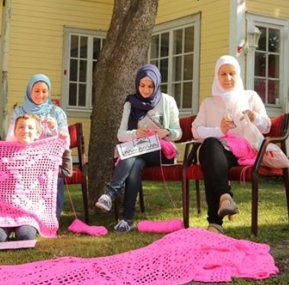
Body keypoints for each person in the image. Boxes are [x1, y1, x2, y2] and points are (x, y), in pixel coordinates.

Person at [94, 64, 182, 232]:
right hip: (138, 150)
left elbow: (178, 132)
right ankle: (127, 219)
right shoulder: (130, 104)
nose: (146, 90)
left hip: (162, 152)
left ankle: (110, 194)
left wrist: (166, 131)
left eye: (150, 86)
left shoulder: (168, 101)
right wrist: (136, 134)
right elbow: (121, 135)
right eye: (142, 85)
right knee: (135, 164)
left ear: (156, 85)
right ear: (137, 84)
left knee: (132, 152)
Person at [191, 55, 271, 233]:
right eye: (223, 74)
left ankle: (215, 223)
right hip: (216, 153)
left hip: (242, 153)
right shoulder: (208, 103)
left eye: (232, 73)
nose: (228, 78)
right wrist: (220, 130)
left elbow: (267, 126)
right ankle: (225, 197)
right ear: (216, 76)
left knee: (209, 154)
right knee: (211, 145)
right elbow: (195, 130)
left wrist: (255, 117)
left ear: (238, 75)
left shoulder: (249, 96)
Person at [7, 74, 69, 220]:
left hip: (49, 160)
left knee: (55, 175)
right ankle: (24, 216)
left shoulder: (57, 112)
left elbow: (65, 141)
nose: (40, 95)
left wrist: (55, 130)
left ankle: (52, 218)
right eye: (36, 91)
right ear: (29, 91)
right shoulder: (19, 112)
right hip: (24, 159)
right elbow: (10, 139)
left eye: (44, 91)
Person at [0, 114, 44, 243]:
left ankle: (25, 228)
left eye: (30, 128)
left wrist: (64, 145)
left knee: (25, 237)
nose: (25, 130)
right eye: (21, 127)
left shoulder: (42, 155)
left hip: (27, 211)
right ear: (15, 131)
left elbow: (65, 171)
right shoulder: (2, 153)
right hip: (3, 210)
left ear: (37, 133)